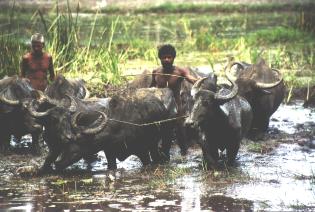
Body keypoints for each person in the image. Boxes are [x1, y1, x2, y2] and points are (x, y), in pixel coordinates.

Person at [150, 44, 199, 155]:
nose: (167, 60)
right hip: (162, 108)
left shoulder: (180, 71)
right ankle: (165, 154)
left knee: (180, 132)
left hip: (177, 107)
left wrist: (200, 81)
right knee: (164, 133)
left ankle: (184, 153)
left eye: (169, 57)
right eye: (164, 57)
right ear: (160, 58)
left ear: (173, 58)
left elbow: (191, 79)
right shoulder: (156, 72)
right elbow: (151, 88)